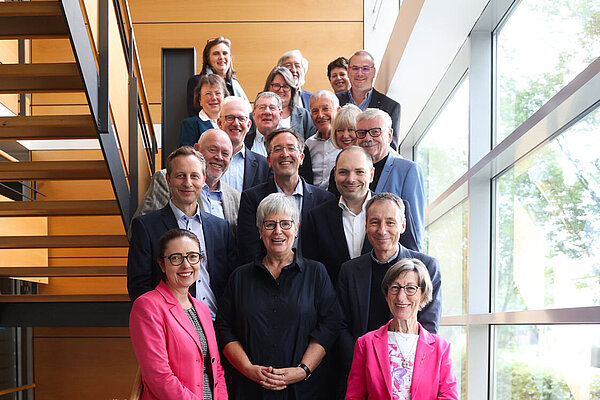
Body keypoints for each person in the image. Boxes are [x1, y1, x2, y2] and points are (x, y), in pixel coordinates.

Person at [216, 193, 341, 400]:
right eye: (269, 224)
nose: (277, 231)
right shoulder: (239, 277)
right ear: (259, 230)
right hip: (249, 389)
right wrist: (248, 369)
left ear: (296, 227)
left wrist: (303, 370)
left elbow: (330, 325)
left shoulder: (316, 273)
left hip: (304, 391)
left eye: (285, 223)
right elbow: (224, 328)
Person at [337, 193, 441, 387]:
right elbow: (341, 326)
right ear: (366, 226)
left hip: (411, 374)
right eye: (375, 222)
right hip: (362, 373)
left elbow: (429, 325)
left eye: (390, 223)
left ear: (402, 225)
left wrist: (401, 368)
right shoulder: (349, 270)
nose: (382, 230)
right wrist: (364, 366)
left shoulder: (427, 266)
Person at [127, 146, 236, 320]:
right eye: (180, 176)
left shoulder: (221, 228)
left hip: (217, 324)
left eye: (194, 176)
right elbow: (139, 287)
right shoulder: (146, 227)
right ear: (168, 180)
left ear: (203, 180)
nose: (188, 183)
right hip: (171, 325)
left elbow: (230, 282)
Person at [129, 228, 228, 399]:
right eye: (176, 258)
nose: (186, 265)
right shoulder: (147, 306)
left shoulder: (202, 309)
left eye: (192, 256)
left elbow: (216, 368)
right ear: (161, 264)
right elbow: (158, 376)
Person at [302, 146, 419, 284]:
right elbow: (312, 273)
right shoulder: (316, 217)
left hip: (385, 301)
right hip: (335, 303)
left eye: (359, 172)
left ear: (371, 174)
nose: (351, 179)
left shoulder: (396, 209)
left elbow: (411, 262)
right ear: (334, 175)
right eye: (343, 172)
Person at [345, 258, 458, 400]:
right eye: (395, 288)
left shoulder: (440, 348)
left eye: (411, 288)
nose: (401, 296)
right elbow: (354, 397)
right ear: (387, 295)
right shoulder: (365, 344)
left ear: (423, 296)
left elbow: (449, 397)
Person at [236, 128, 334, 265]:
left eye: (291, 148)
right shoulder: (252, 199)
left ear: (301, 158)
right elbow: (248, 250)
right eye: (277, 149)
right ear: (269, 160)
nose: (285, 154)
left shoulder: (324, 200)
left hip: (310, 281)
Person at [130, 130, 240, 234]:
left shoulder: (235, 197)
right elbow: (141, 231)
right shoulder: (166, 180)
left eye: (225, 154)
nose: (219, 157)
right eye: (212, 150)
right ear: (196, 149)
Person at [356, 108, 425, 250]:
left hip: (394, 263)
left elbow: (415, 228)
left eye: (375, 132)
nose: (368, 138)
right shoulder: (351, 173)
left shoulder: (408, 170)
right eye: (362, 133)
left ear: (389, 135)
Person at [336, 50, 401, 150]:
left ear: (373, 72)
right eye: (355, 68)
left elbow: (390, 148)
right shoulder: (336, 101)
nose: (360, 73)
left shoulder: (390, 106)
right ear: (348, 72)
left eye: (365, 69)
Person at [245, 91, 314, 183]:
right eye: (262, 108)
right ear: (253, 114)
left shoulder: (296, 144)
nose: (267, 112)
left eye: (272, 108)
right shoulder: (243, 143)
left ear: (280, 114)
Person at [217, 96, 271, 192]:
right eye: (230, 118)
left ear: (249, 125)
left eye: (241, 119)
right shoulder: (205, 161)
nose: (236, 123)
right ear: (219, 123)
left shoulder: (264, 166)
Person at [186, 36, 248, 117]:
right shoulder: (197, 82)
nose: (221, 57)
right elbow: (195, 115)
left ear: (230, 58)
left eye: (225, 53)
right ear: (208, 59)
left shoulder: (234, 85)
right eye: (216, 54)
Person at [263, 66, 316, 140]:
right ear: (268, 88)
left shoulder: (304, 116)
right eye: (276, 85)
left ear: (292, 90)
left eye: (286, 86)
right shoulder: (257, 115)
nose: (281, 90)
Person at [305, 90, 341, 189]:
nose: (320, 115)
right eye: (315, 111)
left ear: (338, 110)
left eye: (326, 109)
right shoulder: (308, 144)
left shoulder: (346, 142)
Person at [180, 74, 227, 147]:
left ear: (224, 97)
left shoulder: (230, 122)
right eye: (208, 93)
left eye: (217, 93)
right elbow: (187, 156)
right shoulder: (190, 125)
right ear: (200, 100)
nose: (214, 98)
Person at [327, 103, 361, 196]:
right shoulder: (335, 169)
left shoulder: (369, 164)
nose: (345, 136)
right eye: (340, 130)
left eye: (351, 129)